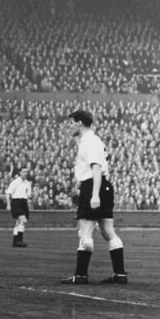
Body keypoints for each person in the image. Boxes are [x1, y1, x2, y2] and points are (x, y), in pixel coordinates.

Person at [61, 110, 127, 284]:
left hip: (94, 186)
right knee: (108, 231)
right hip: (103, 185)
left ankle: (81, 275)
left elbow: (96, 168)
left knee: (86, 230)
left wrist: (94, 194)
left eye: (71, 123)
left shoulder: (88, 142)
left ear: (80, 123)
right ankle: (120, 274)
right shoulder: (96, 140)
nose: (69, 127)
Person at [5, 166, 32, 248]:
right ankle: (19, 240)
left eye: (26, 172)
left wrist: (30, 197)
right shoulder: (15, 182)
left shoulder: (27, 183)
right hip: (16, 202)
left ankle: (15, 241)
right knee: (23, 220)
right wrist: (8, 204)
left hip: (24, 202)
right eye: (23, 172)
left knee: (19, 222)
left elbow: (28, 195)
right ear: (20, 172)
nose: (25, 173)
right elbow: (8, 193)